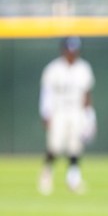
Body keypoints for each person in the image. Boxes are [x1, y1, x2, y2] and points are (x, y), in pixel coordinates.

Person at [38, 36, 96, 195]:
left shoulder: (83, 68)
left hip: (76, 111)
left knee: (75, 146)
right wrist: (45, 113)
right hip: (58, 111)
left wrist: (90, 117)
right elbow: (46, 94)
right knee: (54, 146)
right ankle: (46, 173)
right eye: (69, 50)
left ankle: (73, 179)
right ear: (63, 50)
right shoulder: (53, 69)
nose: (72, 53)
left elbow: (87, 95)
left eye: (74, 50)